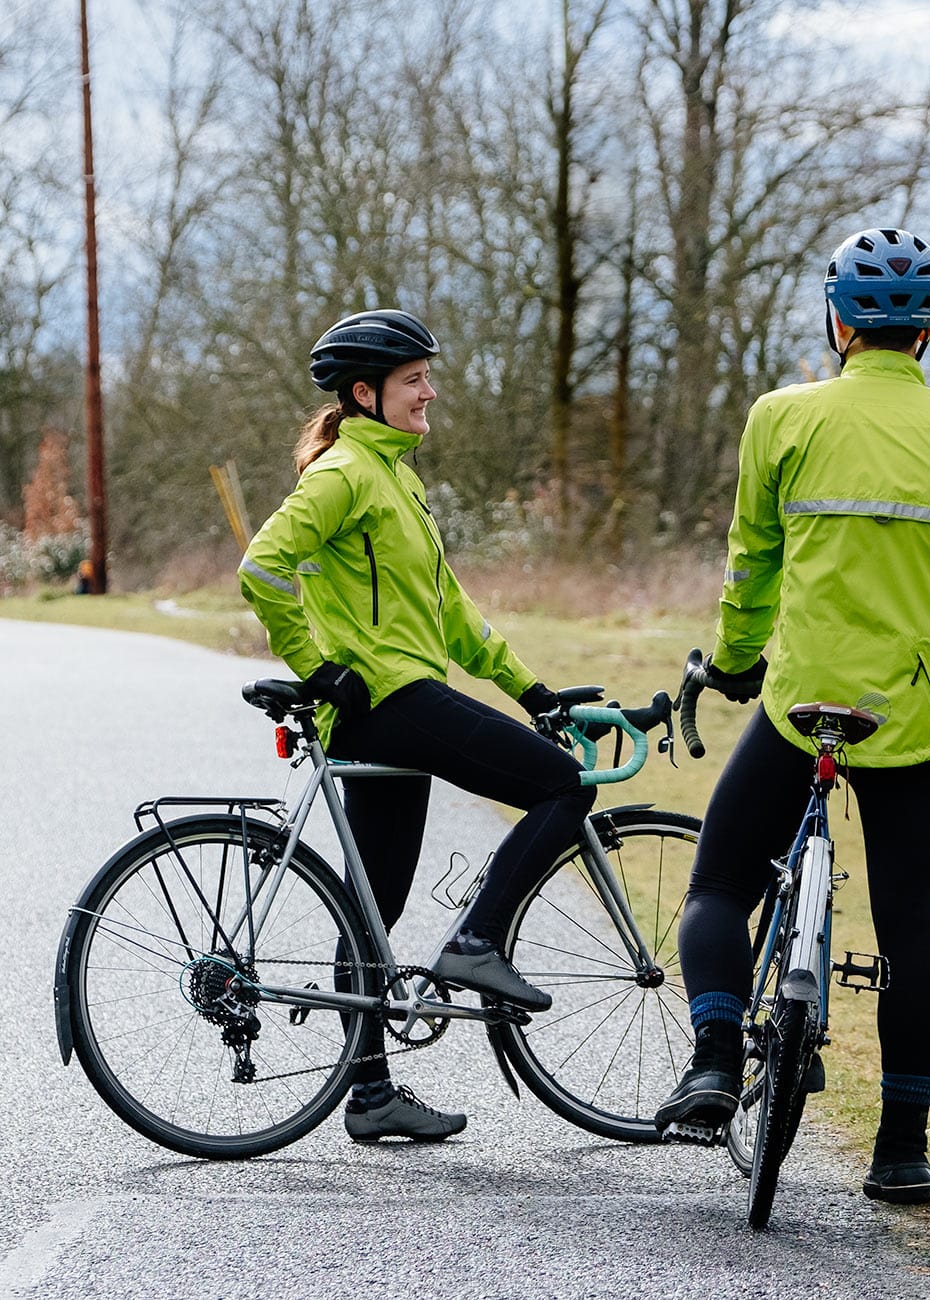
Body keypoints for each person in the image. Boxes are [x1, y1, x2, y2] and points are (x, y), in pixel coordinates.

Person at [655, 228, 930, 1204]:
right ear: (928, 330)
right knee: (909, 926)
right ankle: (902, 1148)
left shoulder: (780, 417)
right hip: (919, 706)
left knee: (722, 882)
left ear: (836, 320)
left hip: (801, 697)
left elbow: (750, 564)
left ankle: (714, 1063)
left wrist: (733, 660)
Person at [239, 308, 594, 1144]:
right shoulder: (344, 474)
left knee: (376, 907)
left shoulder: (397, 477)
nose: (430, 391)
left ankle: (368, 1096)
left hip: (397, 702)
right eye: (414, 380)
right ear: (365, 394)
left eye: (428, 377)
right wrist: (318, 667)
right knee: (564, 783)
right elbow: (264, 567)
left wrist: (530, 689)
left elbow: (452, 614)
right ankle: (475, 941)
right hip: (386, 702)